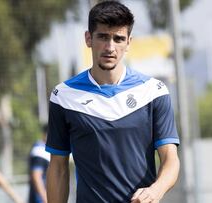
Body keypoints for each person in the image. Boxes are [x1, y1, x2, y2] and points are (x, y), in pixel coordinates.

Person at [45, 1, 180, 203]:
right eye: (103, 37)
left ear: (128, 43)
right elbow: (58, 167)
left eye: (118, 39)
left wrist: (156, 190)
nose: (110, 47)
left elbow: (170, 158)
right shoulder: (63, 96)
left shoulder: (153, 91)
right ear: (88, 38)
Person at [28, 125, 50, 203]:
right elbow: (37, 177)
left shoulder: (46, 150)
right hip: (40, 199)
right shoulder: (39, 151)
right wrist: (45, 198)